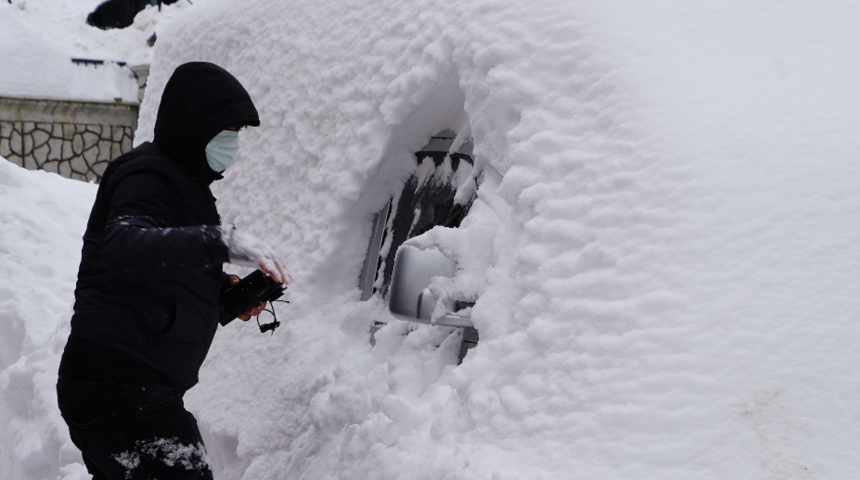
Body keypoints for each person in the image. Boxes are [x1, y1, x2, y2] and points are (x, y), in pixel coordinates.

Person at [56, 62, 287, 480]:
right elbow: (125, 245)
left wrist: (220, 295)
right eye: (227, 132)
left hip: (123, 386)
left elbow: (156, 272)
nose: (233, 144)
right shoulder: (148, 175)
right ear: (195, 125)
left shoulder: (182, 183)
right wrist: (220, 242)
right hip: (121, 386)